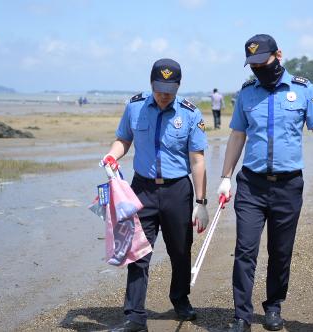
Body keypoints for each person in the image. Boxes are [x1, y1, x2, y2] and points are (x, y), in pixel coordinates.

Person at [217, 34, 313, 332]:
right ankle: (241, 316)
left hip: (288, 186)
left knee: (280, 251)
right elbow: (236, 136)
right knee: (245, 249)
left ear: (279, 55)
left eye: (263, 62)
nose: (258, 68)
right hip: (251, 186)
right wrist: (225, 178)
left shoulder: (303, 89)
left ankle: (273, 307)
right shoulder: (246, 94)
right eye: (253, 65)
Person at [102, 58, 209, 332]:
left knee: (180, 251)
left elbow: (197, 160)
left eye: (170, 89)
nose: (164, 95)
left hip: (178, 191)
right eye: (160, 88)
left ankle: (180, 299)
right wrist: (113, 156)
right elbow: (123, 139)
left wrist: (201, 203)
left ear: (178, 86)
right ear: (151, 84)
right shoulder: (135, 106)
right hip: (142, 190)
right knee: (138, 253)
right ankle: (135, 316)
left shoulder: (190, 113)